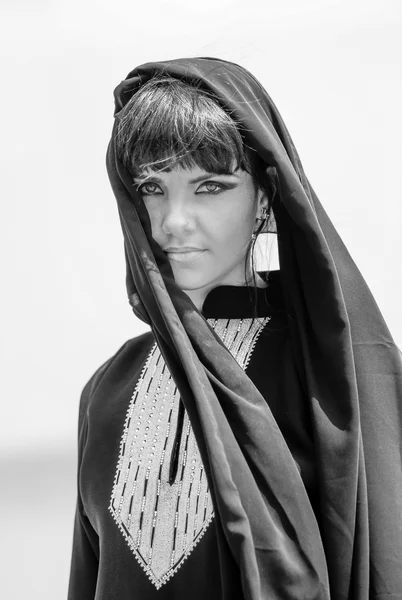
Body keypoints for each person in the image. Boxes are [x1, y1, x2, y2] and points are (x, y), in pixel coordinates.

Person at [67, 58, 402, 600]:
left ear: (265, 195)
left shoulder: (329, 374)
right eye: (152, 187)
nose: (174, 220)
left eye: (210, 186)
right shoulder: (106, 389)